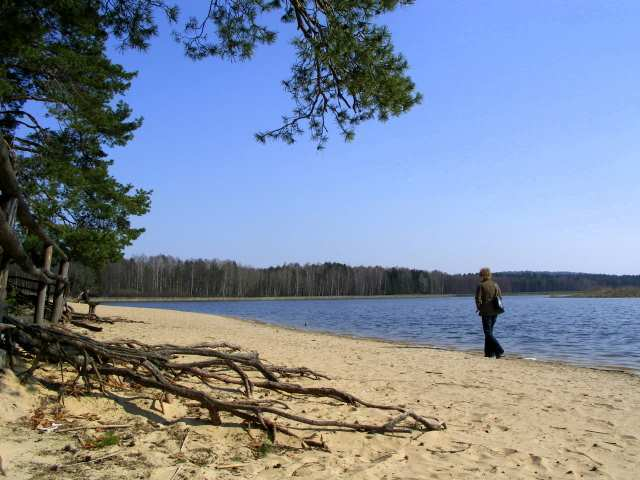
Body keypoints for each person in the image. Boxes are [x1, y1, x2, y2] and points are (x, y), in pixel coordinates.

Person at [475, 267, 504, 358]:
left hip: (486, 312)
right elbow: (500, 297)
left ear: (482, 275)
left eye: (480, 274)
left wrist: (479, 308)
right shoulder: (495, 284)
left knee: (488, 333)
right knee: (489, 332)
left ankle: (499, 349)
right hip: (495, 311)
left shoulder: (481, 285)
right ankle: (489, 353)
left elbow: (478, 299)